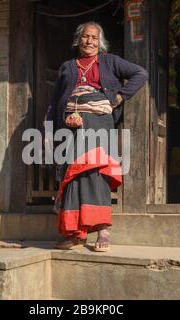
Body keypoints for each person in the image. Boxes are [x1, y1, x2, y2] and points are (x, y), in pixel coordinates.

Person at [44, 22, 148, 252]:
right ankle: (76, 233)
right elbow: (54, 102)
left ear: (99, 42)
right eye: (85, 37)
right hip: (72, 128)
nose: (89, 41)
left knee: (96, 174)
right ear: (78, 40)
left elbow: (141, 73)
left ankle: (103, 231)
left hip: (99, 124)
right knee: (73, 177)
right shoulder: (67, 67)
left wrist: (120, 97)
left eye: (93, 37)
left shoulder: (110, 61)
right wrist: (56, 124)